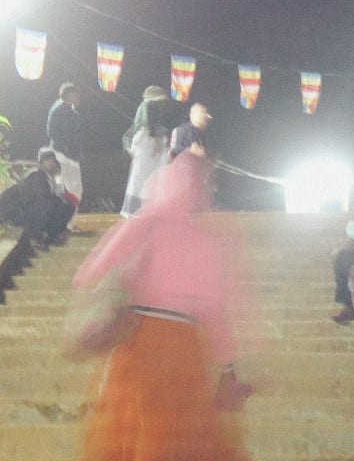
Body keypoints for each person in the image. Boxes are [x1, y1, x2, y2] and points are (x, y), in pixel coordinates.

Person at [71, 151, 251, 461]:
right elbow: (218, 311)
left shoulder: (146, 223)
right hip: (185, 347)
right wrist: (228, 367)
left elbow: (90, 272)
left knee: (135, 432)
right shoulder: (207, 241)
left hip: (140, 341)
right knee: (179, 438)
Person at [120, 86, 175, 218]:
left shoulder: (147, 107)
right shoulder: (148, 105)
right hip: (146, 144)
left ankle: (148, 208)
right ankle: (138, 209)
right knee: (145, 177)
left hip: (146, 144)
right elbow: (149, 126)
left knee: (146, 177)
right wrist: (155, 141)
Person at [0, 147, 75, 245]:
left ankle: (51, 236)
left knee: (67, 207)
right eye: (47, 160)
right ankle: (38, 236)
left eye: (52, 160)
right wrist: (59, 199)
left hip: (34, 211)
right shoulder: (36, 175)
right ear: (41, 163)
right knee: (47, 204)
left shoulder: (49, 178)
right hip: (20, 214)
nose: (50, 163)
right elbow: (40, 197)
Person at [46, 82, 83, 209]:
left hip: (63, 153)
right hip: (64, 154)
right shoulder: (62, 111)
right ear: (69, 95)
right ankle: (67, 219)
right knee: (71, 187)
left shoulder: (62, 110)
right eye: (76, 95)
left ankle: (65, 220)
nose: (78, 97)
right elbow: (54, 133)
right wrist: (67, 149)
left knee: (62, 186)